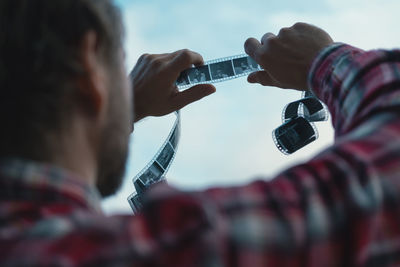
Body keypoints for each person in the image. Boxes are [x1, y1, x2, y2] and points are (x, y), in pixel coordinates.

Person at [0, 1, 399, 267]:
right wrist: (323, 59)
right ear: (88, 66)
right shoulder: (156, 249)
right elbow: (387, 173)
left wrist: (109, 110)